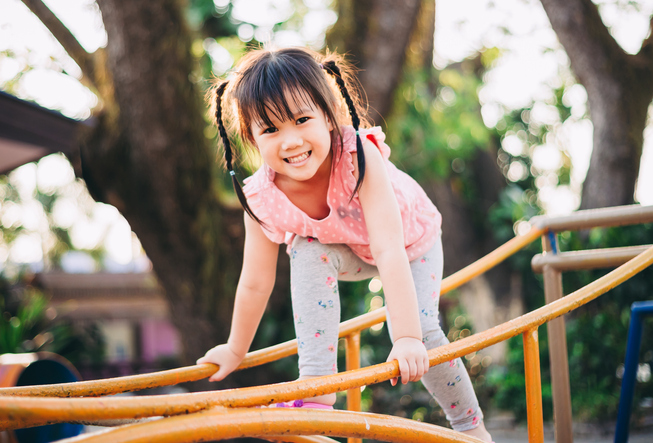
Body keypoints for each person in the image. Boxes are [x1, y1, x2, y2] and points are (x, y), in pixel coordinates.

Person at [196, 46, 492, 441]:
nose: (291, 141)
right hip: (350, 250)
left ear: (330, 117)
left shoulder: (357, 156)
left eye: (302, 120)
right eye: (270, 129)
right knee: (305, 248)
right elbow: (254, 281)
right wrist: (235, 349)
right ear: (250, 136)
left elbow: (389, 249)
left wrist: (405, 338)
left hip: (409, 242)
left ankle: (472, 428)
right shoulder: (262, 198)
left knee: (422, 329)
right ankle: (318, 389)